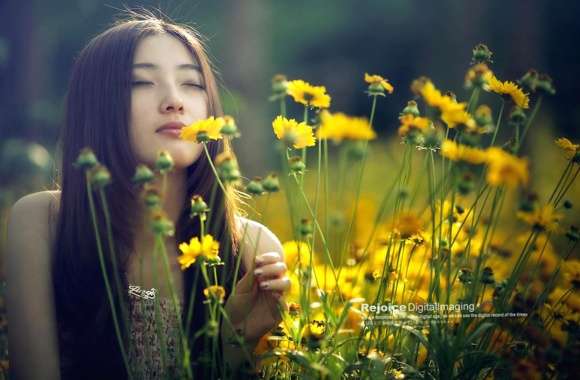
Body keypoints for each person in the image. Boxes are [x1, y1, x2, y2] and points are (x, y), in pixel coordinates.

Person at [4, 11, 290, 380]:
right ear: (96, 105)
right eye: (141, 82)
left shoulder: (251, 247)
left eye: (192, 84)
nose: (174, 101)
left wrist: (234, 344)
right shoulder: (42, 222)